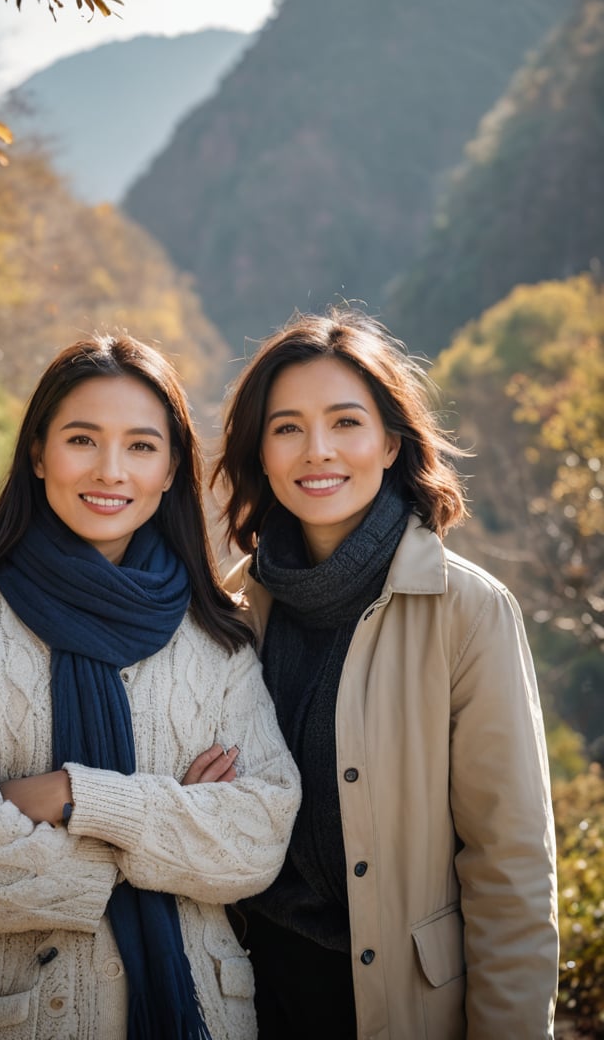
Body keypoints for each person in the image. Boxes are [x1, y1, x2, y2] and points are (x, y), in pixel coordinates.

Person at [0, 333, 300, 1040]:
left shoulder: (215, 636)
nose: (111, 471)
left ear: (173, 467)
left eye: (142, 446)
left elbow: (260, 841)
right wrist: (173, 832)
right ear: (38, 452)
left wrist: (74, 797)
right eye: (83, 439)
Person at [211, 305, 559, 1039]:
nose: (317, 452)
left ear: (391, 442)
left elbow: (511, 865)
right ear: (261, 453)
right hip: (242, 990)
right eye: (287, 428)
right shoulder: (230, 607)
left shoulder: (466, 610)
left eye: (345, 423)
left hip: (401, 1002)